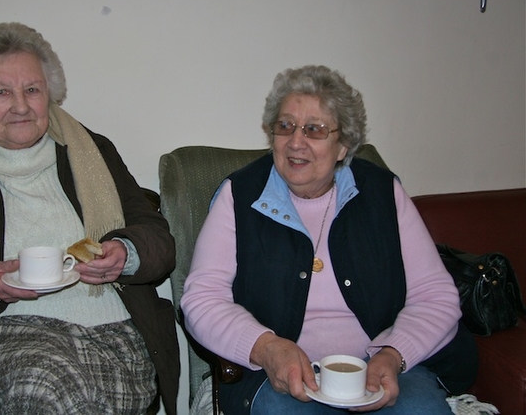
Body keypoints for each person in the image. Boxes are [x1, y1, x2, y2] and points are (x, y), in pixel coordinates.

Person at [0, 22, 179, 415]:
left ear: (50, 94)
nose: (21, 106)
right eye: (1, 92)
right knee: (52, 386)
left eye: (32, 90)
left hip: (115, 337)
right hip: (2, 339)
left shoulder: (95, 153)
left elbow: (159, 241)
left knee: (73, 393)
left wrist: (125, 253)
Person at [181, 65, 478, 415]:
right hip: (277, 377)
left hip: (378, 369)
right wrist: (265, 348)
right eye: (285, 126)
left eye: (314, 130)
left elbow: (435, 295)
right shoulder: (240, 195)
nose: (295, 142)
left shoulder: (382, 192)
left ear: (343, 145)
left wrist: (395, 353)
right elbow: (201, 299)